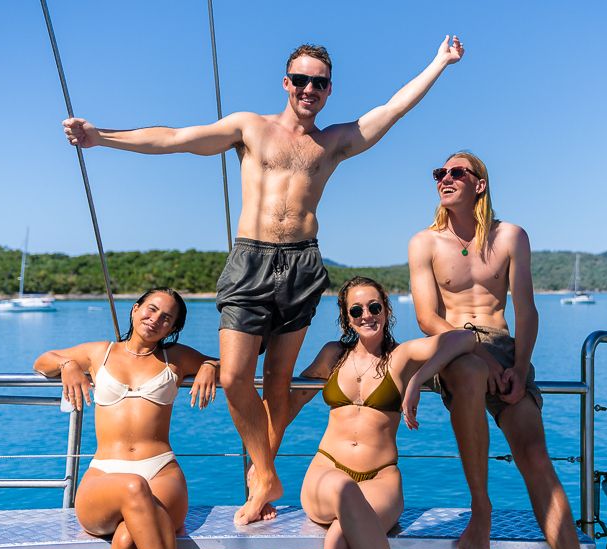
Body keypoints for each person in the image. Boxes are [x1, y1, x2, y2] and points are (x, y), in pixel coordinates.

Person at [62, 37, 465, 524]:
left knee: (277, 384)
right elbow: (174, 138)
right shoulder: (249, 128)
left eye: (318, 81)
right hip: (250, 261)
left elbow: (392, 109)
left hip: (302, 265)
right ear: (286, 83)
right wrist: (100, 136)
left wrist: (439, 62)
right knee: (234, 378)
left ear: (329, 89)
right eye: (300, 79)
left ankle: (261, 487)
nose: (308, 88)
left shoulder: (333, 141)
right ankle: (265, 470)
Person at [408, 152, 597, 549]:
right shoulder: (425, 243)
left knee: (535, 454)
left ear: (480, 184)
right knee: (472, 372)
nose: (445, 179)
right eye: (440, 173)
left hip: (507, 350)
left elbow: (526, 309)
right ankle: (481, 508)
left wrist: (516, 366)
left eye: (457, 173)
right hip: (456, 347)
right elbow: (426, 318)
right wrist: (477, 351)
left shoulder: (511, 236)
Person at [294, 276, 476, 549]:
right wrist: (262, 461)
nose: (367, 315)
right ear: (346, 318)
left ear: (386, 309)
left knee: (338, 541)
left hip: (381, 480)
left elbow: (464, 339)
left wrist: (419, 377)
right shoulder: (332, 355)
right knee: (342, 486)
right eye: (356, 310)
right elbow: (291, 402)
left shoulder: (401, 357)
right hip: (326, 472)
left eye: (374, 306)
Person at [33, 288, 219, 549]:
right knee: (132, 486)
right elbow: (42, 361)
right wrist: (68, 366)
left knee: (127, 542)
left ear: (172, 329)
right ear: (135, 310)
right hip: (105, 475)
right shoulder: (100, 353)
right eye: (151, 309)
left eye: (166, 318)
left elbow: (229, 367)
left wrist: (210, 366)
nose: (155, 319)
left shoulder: (177, 357)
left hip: (162, 473)